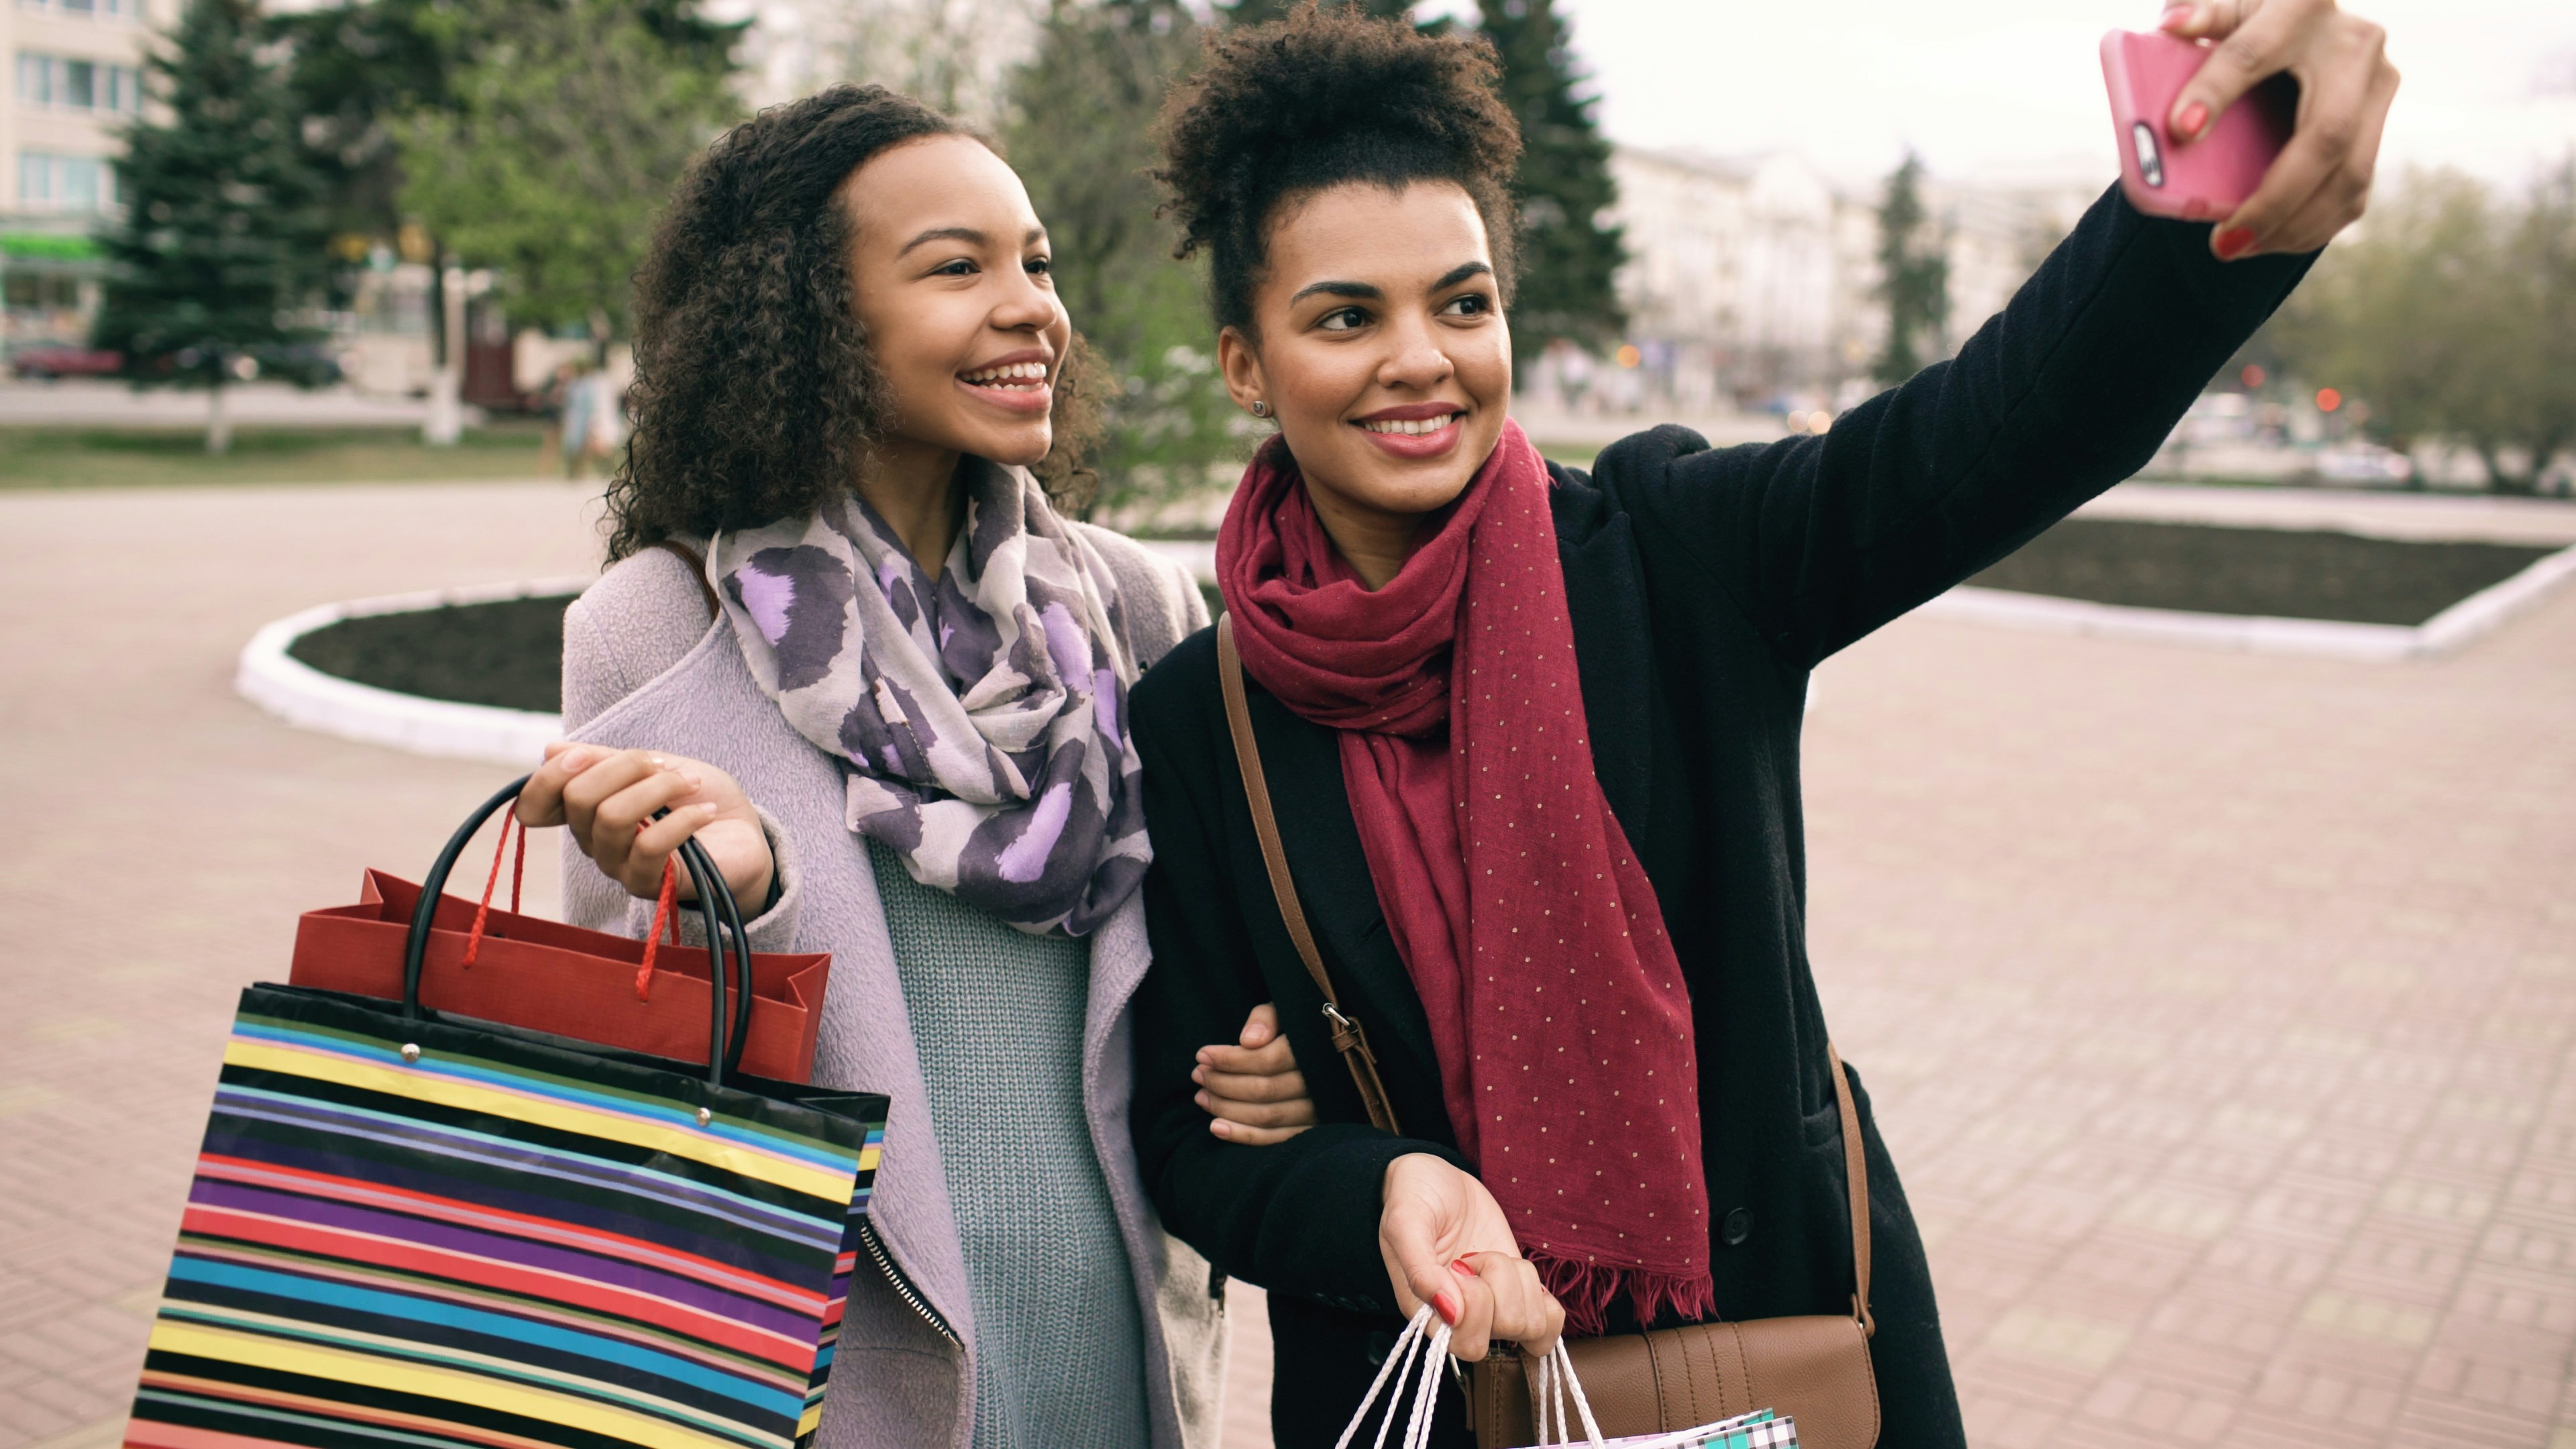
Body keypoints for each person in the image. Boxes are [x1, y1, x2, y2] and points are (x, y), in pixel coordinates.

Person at [1124, 3, 2396, 1445]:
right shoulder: (1200, 716)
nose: (1422, 356)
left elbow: (1986, 438)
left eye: (1464, 303)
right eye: (1348, 315)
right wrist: (1372, 1188)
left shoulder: (1677, 558)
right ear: (1245, 363)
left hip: (1776, 1354)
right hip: (1428, 1393)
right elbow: (1187, 1139)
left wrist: (2205, 208)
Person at [510, 85, 1314, 1449]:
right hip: (823, 1369)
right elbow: (632, 1075)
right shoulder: (655, 626)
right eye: (958, 268)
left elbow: (1206, 960)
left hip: (1113, 1340)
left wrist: (1270, 1056)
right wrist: (740, 900)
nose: (1033, 309)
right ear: (811, 316)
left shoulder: (1137, 609)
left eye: (1037, 263)